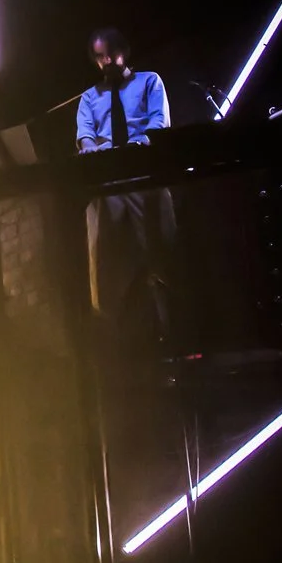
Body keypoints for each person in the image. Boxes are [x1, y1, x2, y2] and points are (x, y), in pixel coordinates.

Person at [75, 27, 178, 345]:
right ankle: (117, 338)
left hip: (145, 177)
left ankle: (171, 332)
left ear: (125, 51)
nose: (106, 61)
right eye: (99, 57)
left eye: (111, 53)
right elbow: (85, 137)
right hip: (109, 184)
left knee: (161, 255)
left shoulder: (149, 82)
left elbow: (158, 123)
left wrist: (136, 147)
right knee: (107, 264)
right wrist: (96, 151)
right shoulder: (89, 98)